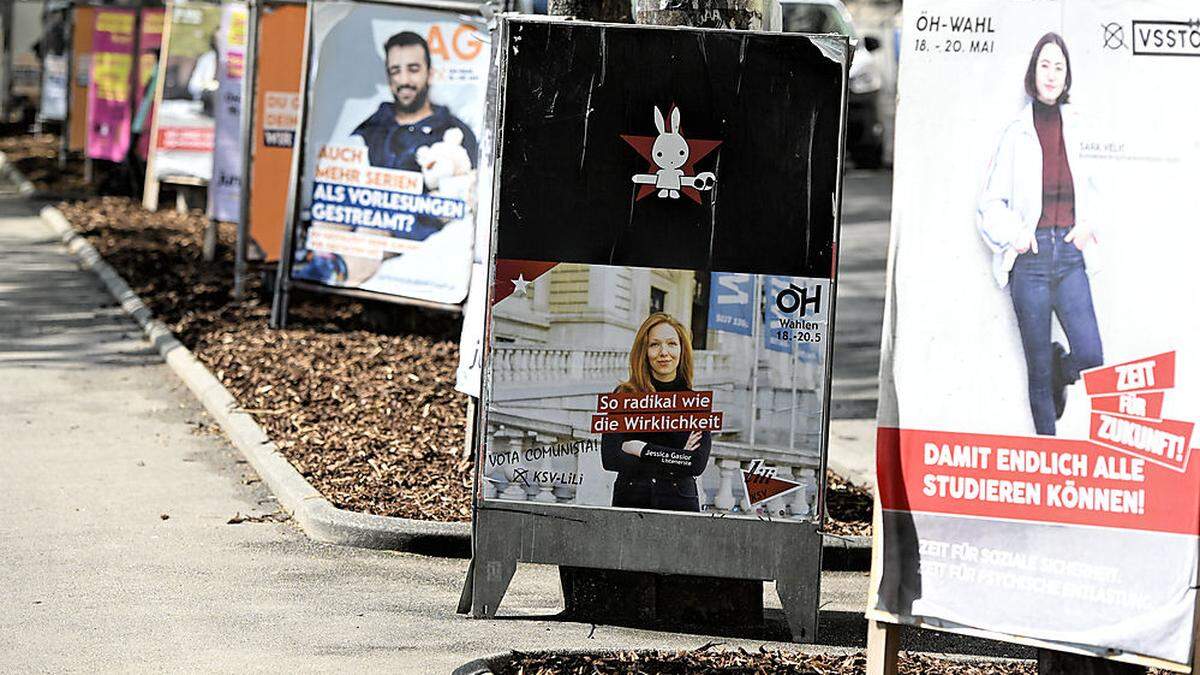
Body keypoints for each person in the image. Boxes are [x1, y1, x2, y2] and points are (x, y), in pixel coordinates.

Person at [978, 32, 1103, 436]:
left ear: (1068, 77)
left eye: (1059, 67)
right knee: (1036, 370)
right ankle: (1046, 454)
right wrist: (1014, 233)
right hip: (1029, 262)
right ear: (1034, 73)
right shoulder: (1015, 132)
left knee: (1090, 353)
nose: (1051, 75)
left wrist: (1089, 225)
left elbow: (1102, 190)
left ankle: (1059, 371)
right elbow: (989, 203)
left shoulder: (1080, 128)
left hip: (1068, 255)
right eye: (1044, 65)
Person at [600, 313, 712, 512]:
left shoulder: (695, 403)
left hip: (680, 503)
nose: (664, 352)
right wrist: (677, 458)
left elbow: (696, 464)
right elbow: (610, 458)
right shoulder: (624, 396)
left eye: (671, 343)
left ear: (682, 350)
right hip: (632, 500)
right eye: (655, 345)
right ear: (644, 351)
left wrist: (641, 449)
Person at [352, 31, 478, 175]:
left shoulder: (458, 133)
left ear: (429, 74)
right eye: (395, 71)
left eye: (413, 69)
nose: (404, 80)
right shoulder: (369, 130)